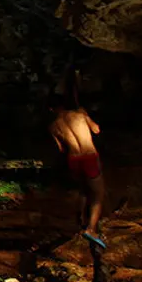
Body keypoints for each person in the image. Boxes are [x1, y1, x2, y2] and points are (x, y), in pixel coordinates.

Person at [49, 94, 107, 250]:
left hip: (73, 159)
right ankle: (91, 230)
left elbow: (61, 149)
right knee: (98, 195)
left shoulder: (54, 126)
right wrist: (87, 116)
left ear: (52, 109)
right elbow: (96, 130)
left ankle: (81, 220)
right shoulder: (80, 114)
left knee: (83, 189)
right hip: (89, 156)